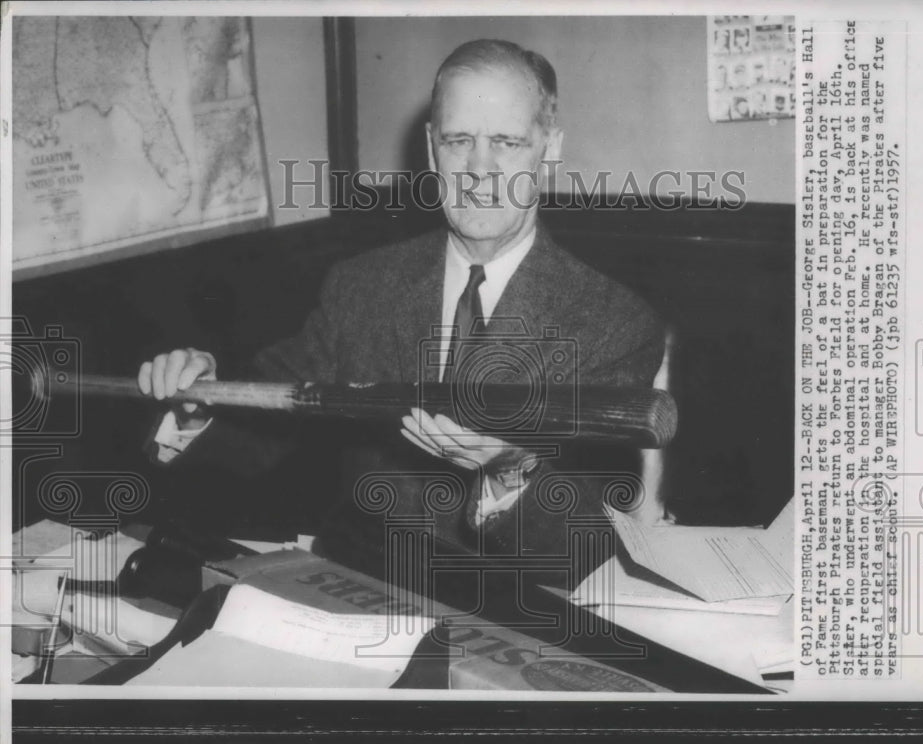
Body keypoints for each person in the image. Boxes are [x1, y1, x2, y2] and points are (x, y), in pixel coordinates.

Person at [137, 39, 665, 605]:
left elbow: (592, 543)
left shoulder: (614, 321)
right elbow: (259, 428)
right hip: (358, 596)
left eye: (507, 143)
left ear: (550, 149)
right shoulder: (362, 286)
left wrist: (504, 472)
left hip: (516, 620)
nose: (479, 170)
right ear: (431, 150)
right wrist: (197, 405)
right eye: (459, 140)